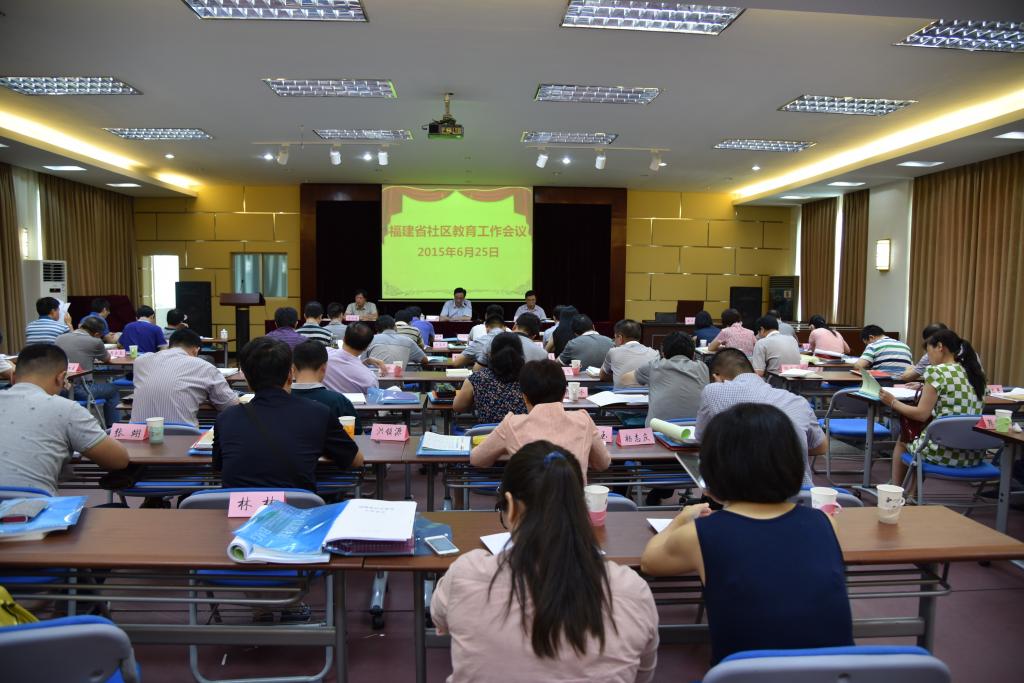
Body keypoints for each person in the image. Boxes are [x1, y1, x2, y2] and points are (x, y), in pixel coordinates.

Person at [641, 403, 853, 665]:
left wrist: (682, 518)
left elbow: (650, 561)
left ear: (712, 471)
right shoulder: (825, 523)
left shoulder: (702, 534)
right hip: (836, 671)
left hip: (744, 673)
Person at [433, 441, 659, 683]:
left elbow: (440, 620)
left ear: (511, 507)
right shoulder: (632, 591)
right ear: (579, 504)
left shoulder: (466, 575)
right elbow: (643, 674)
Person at [213, 337, 362, 491]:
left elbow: (218, 466)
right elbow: (356, 460)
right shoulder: (319, 413)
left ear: (247, 379)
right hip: (297, 505)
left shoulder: (225, 418)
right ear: (290, 374)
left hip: (239, 505)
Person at [0, 344, 129, 494]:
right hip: (32, 505)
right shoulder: (67, 410)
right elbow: (118, 460)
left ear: (13, 377)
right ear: (61, 378)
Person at [696, 349, 826, 486]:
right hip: (800, 492)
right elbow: (821, 447)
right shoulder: (798, 401)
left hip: (741, 492)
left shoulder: (714, 391)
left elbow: (701, 438)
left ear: (717, 376)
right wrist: (786, 450)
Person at [470, 360, 611, 478]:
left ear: (524, 397)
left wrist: (507, 447)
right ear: (564, 394)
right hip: (574, 502)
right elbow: (602, 464)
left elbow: (477, 459)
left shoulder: (512, 424)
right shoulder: (583, 420)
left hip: (529, 502)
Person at [882, 329, 986, 485]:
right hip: (974, 454)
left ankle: (896, 489)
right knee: (921, 436)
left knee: (904, 439)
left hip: (943, 453)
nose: (928, 357)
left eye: (928, 351)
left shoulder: (936, 371)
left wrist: (892, 401)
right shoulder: (974, 373)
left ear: (940, 347)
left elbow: (921, 415)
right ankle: (913, 493)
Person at [130, 329, 239, 427]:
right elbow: (229, 405)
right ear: (196, 350)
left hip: (136, 434)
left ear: (170, 345)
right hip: (183, 435)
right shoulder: (204, 367)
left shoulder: (141, 361)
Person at [624, 332, 708, 427]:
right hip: (696, 430)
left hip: (658, 430)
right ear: (693, 354)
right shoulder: (703, 368)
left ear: (663, 354)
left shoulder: (655, 365)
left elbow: (625, 379)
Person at [56, 316, 121, 426]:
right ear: (97, 334)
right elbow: (107, 359)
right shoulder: (95, 342)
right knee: (113, 390)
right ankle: (113, 427)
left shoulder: (59, 338)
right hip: (82, 390)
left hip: (60, 389)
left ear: (80, 326)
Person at [453, 331, 528, 424]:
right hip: (522, 432)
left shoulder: (477, 378)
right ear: (521, 353)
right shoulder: (529, 377)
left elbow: (458, 407)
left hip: (487, 433)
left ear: (490, 353)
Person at [290, 341, 362, 433]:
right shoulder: (339, 401)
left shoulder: (282, 398)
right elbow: (357, 433)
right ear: (324, 368)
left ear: (293, 368)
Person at [323, 322, 382, 394]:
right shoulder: (369, 379)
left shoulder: (323, 354)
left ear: (344, 338)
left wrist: (363, 363)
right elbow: (373, 398)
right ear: (366, 347)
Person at [600, 319, 658, 387]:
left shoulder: (613, 352)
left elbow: (602, 376)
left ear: (620, 338)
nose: (614, 342)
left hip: (621, 393)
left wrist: (617, 377)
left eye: (615, 338)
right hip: (648, 393)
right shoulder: (654, 353)